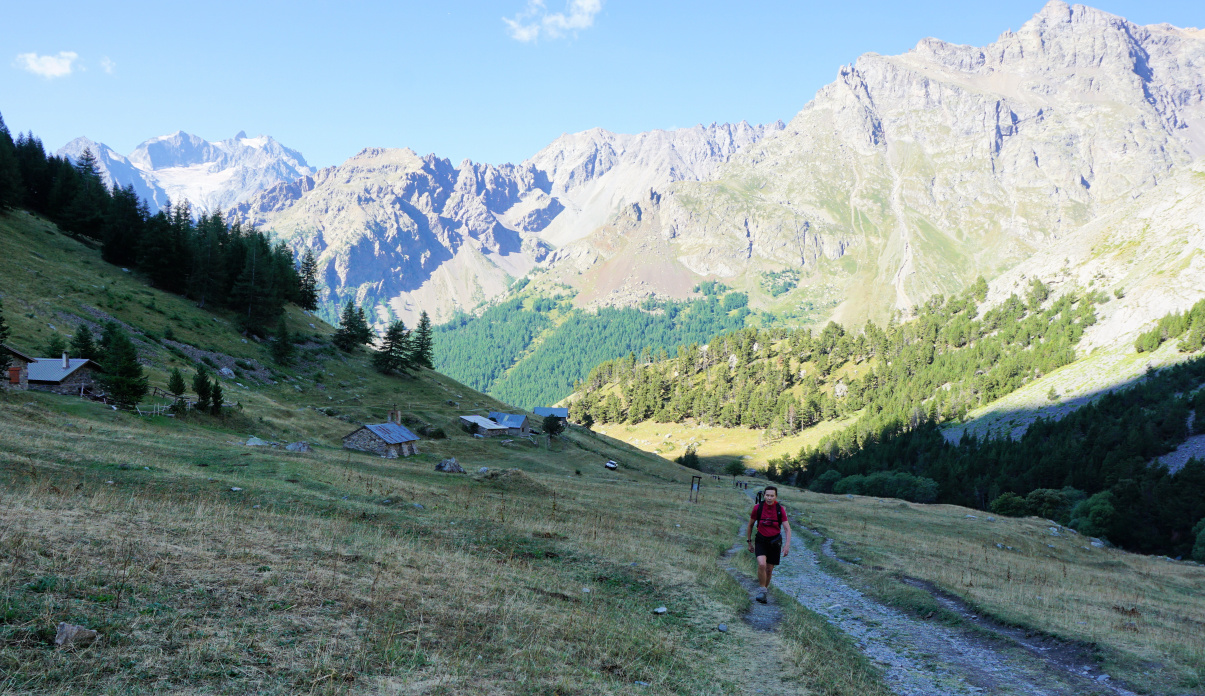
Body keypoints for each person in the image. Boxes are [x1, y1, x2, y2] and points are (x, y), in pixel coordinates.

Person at [746, 485, 790, 603]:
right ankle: (762, 590)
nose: (769, 498)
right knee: (761, 565)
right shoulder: (758, 508)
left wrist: (787, 545)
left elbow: (787, 528)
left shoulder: (780, 509)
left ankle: (764, 591)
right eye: (767, 495)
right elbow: (750, 525)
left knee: (769, 569)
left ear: (775, 497)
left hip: (775, 542)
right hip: (761, 540)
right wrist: (749, 542)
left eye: (772, 496)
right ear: (764, 495)